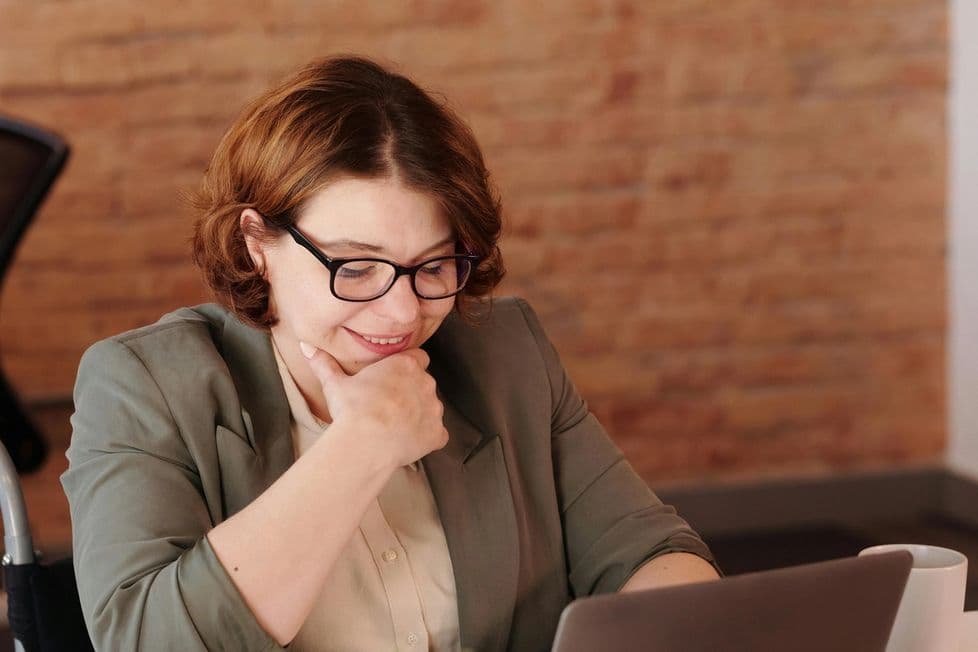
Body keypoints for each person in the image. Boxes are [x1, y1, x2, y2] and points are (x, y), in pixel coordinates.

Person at [62, 55, 719, 652]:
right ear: (257, 241)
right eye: (355, 266)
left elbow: (649, 552)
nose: (404, 312)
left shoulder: (505, 352)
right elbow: (144, 641)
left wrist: (685, 620)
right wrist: (362, 448)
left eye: (434, 264)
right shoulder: (144, 385)